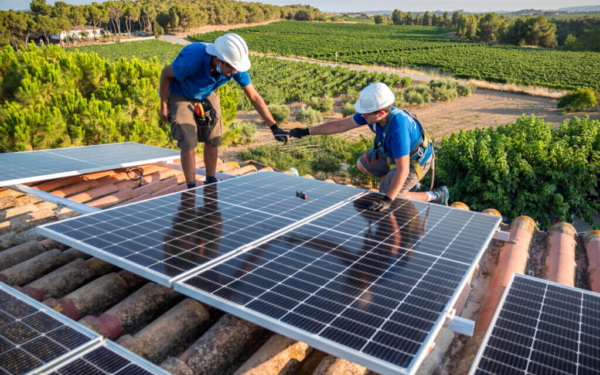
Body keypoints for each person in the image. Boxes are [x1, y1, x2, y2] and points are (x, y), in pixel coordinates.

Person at [290, 82, 448, 212]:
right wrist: (306, 131)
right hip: (393, 154)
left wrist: (387, 199)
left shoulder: (398, 129)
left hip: (415, 162)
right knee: (362, 164)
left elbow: (404, 169)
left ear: (380, 113)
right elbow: (340, 125)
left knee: (390, 195)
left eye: (366, 114)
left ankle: (434, 195)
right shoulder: (372, 114)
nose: (362, 116)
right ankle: (400, 184)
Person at [159, 33, 288, 188]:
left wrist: (274, 127)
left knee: (214, 136)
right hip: (180, 93)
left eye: (236, 69)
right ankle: (191, 187)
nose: (235, 72)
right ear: (218, 60)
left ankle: (211, 180)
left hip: (206, 93)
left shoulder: (235, 66)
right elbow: (165, 74)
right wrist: (164, 105)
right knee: (188, 139)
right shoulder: (192, 59)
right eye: (232, 68)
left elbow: (254, 96)